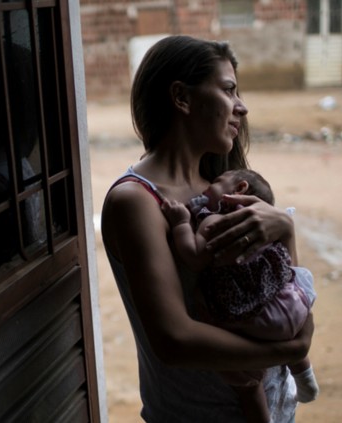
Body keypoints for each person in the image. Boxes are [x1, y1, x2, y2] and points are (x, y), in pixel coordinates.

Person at [101, 34, 313, 422]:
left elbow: (280, 290)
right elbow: (174, 340)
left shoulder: (219, 190)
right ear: (181, 98)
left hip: (276, 409)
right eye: (229, 90)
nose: (242, 107)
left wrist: (284, 229)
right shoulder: (137, 201)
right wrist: (284, 352)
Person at [161, 168, 319, 422]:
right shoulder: (264, 222)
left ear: (240, 189)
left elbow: (194, 257)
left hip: (249, 320)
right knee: (288, 331)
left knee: (247, 381)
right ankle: (306, 379)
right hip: (290, 307)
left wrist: (180, 223)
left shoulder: (214, 221)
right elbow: (288, 266)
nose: (207, 188)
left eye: (216, 182)